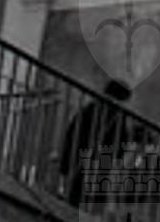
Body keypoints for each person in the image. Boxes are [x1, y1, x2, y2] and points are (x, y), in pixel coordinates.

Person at [58, 78, 136, 209]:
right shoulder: (117, 118)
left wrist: (65, 165)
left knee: (75, 198)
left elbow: (72, 134)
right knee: (89, 202)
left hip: (81, 162)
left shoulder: (90, 109)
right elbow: (121, 146)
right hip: (98, 167)